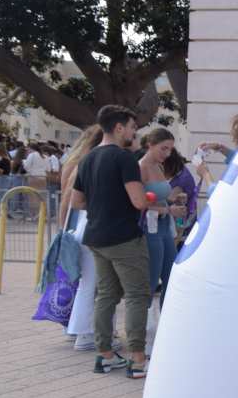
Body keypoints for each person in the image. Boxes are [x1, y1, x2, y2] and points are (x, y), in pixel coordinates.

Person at [71, 105, 154, 378]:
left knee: (105, 295)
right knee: (137, 296)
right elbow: (139, 201)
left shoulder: (87, 158)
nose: (135, 132)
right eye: (132, 127)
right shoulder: (124, 159)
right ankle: (138, 360)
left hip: (95, 236)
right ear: (119, 127)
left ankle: (105, 355)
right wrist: (152, 198)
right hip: (124, 238)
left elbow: (77, 201)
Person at [59, 126, 117, 351]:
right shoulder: (92, 164)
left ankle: (79, 330)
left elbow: (67, 201)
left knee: (86, 284)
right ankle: (88, 332)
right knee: (97, 286)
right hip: (92, 227)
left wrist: (63, 231)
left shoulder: (80, 162)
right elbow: (70, 201)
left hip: (81, 225)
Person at [138, 129, 185, 308]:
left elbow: (160, 198)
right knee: (150, 281)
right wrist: (167, 210)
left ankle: (165, 323)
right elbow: (138, 204)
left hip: (164, 228)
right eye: (163, 148)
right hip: (151, 229)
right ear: (150, 146)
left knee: (171, 277)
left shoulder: (158, 166)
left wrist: (174, 200)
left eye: (170, 149)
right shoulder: (141, 168)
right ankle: (141, 328)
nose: (167, 154)